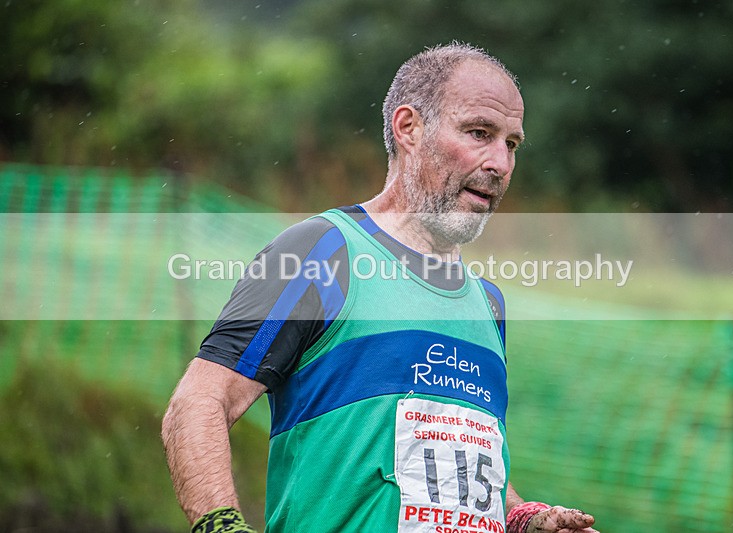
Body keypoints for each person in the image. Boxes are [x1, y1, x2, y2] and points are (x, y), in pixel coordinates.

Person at [162, 42, 600, 533]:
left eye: (511, 144)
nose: (500, 162)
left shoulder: (489, 304)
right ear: (409, 128)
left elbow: (460, 463)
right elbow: (199, 403)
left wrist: (522, 516)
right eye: (480, 133)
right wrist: (220, 526)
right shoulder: (322, 252)